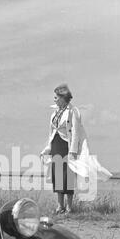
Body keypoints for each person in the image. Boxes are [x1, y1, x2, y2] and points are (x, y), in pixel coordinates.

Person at [40, 83, 82, 214]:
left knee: (67, 175)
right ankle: (60, 206)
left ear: (63, 98)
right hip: (56, 144)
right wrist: (48, 148)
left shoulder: (72, 111)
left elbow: (75, 132)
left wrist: (73, 150)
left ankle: (69, 207)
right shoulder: (54, 113)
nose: (54, 99)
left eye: (56, 97)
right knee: (57, 175)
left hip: (66, 146)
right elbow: (51, 132)